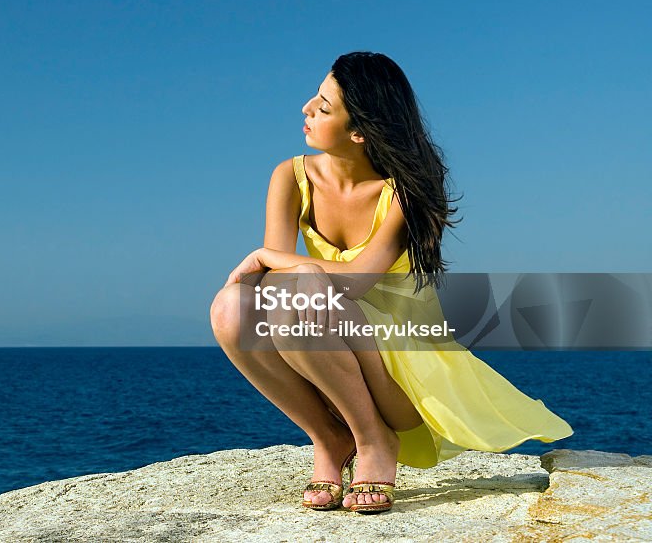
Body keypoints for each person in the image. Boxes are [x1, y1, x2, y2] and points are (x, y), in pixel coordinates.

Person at [208, 52, 573, 514]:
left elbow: (356, 283)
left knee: (294, 295)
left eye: (323, 107)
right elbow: (278, 282)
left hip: (401, 374)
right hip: (331, 356)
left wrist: (272, 258)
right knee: (229, 308)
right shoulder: (291, 177)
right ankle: (330, 438)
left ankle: (376, 440)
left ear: (360, 132)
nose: (305, 108)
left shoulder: (404, 191)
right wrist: (294, 269)